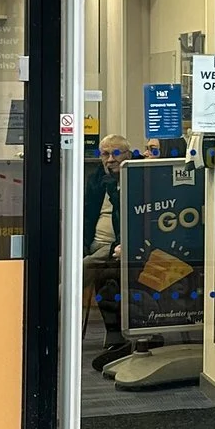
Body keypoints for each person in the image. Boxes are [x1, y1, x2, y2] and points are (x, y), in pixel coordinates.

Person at [82, 135, 135, 370]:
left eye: (116, 153)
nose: (110, 160)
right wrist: (81, 245)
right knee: (68, 263)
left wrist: (113, 184)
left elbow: (130, 217)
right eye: (105, 154)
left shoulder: (134, 178)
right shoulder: (96, 180)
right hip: (95, 245)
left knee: (93, 270)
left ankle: (52, 308)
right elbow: (86, 215)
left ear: (128, 155)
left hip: (117, 247)